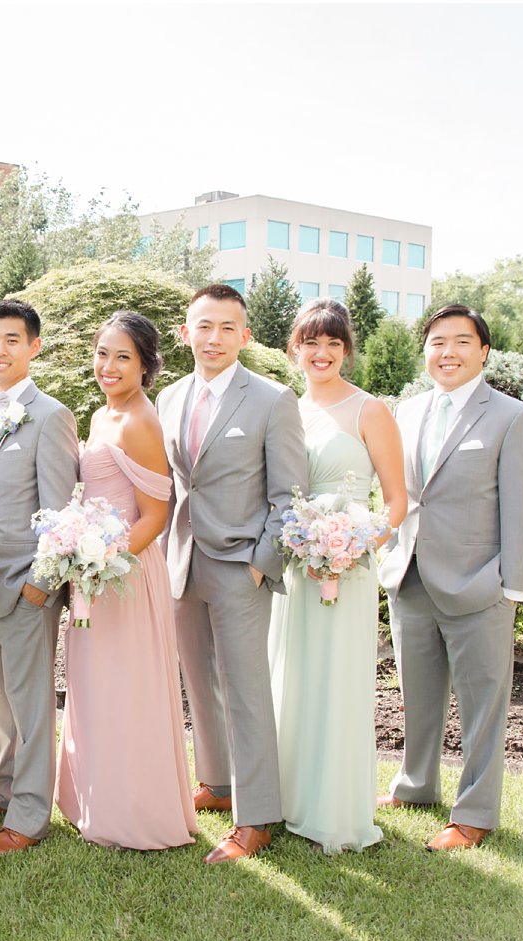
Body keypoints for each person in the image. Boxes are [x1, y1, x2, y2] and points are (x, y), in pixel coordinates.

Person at [377, 304, 523, 851]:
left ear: (484, 352)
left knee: (481, 706)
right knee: (416, 695)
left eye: (461, 342)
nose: (447, 353)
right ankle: (416, 784)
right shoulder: (405, 411)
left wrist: (510, 589)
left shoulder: (512, 417)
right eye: (437, 342)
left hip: (480, 586)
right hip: (412, 578)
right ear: (425, 351)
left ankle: (473, 812)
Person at [156, 283, 308, 864]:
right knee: (199, 682)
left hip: (239, 565)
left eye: (226, 328)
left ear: (244, 336)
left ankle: (258, 817)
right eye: (204, 326)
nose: (213, 338)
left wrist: (257, 567)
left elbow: (289, 497)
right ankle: (217, 785)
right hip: (181, 562)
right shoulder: (169, 398)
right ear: (186, 332)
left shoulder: (272, 400)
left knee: (246, 691)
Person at [55, 312, 197, 851]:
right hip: (95, 573)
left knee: (126, 688)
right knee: (96, 686)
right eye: (101, 353)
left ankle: (132, 810)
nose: (108, 366)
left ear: (145, 365)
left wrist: (99, 565)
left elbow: (155, 517)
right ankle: (93, 796)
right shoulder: (100, 415)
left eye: (122, 357)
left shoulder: (141, 421)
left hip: (127, 576)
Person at [268, 301, 406, 854]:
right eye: (310, 343)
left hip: (347, 569)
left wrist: (352, 547)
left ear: (347, 349)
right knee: (292, 676)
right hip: (295, 567)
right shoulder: (287, 411)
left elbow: (396, 502)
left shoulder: (369, 410)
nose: (320, 354)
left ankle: (335, 809)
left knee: (338, 682)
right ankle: (288, 798)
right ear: (293, 350)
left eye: (332, 343)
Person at [0, 300, 80, 858]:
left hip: (25, 583)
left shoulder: (51, 415)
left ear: (34, 347)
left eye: (12, 339)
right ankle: (2, 786)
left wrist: (41, 584)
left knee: (31, 704)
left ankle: (30, 814)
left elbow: (59, 514)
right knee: (0, 699)